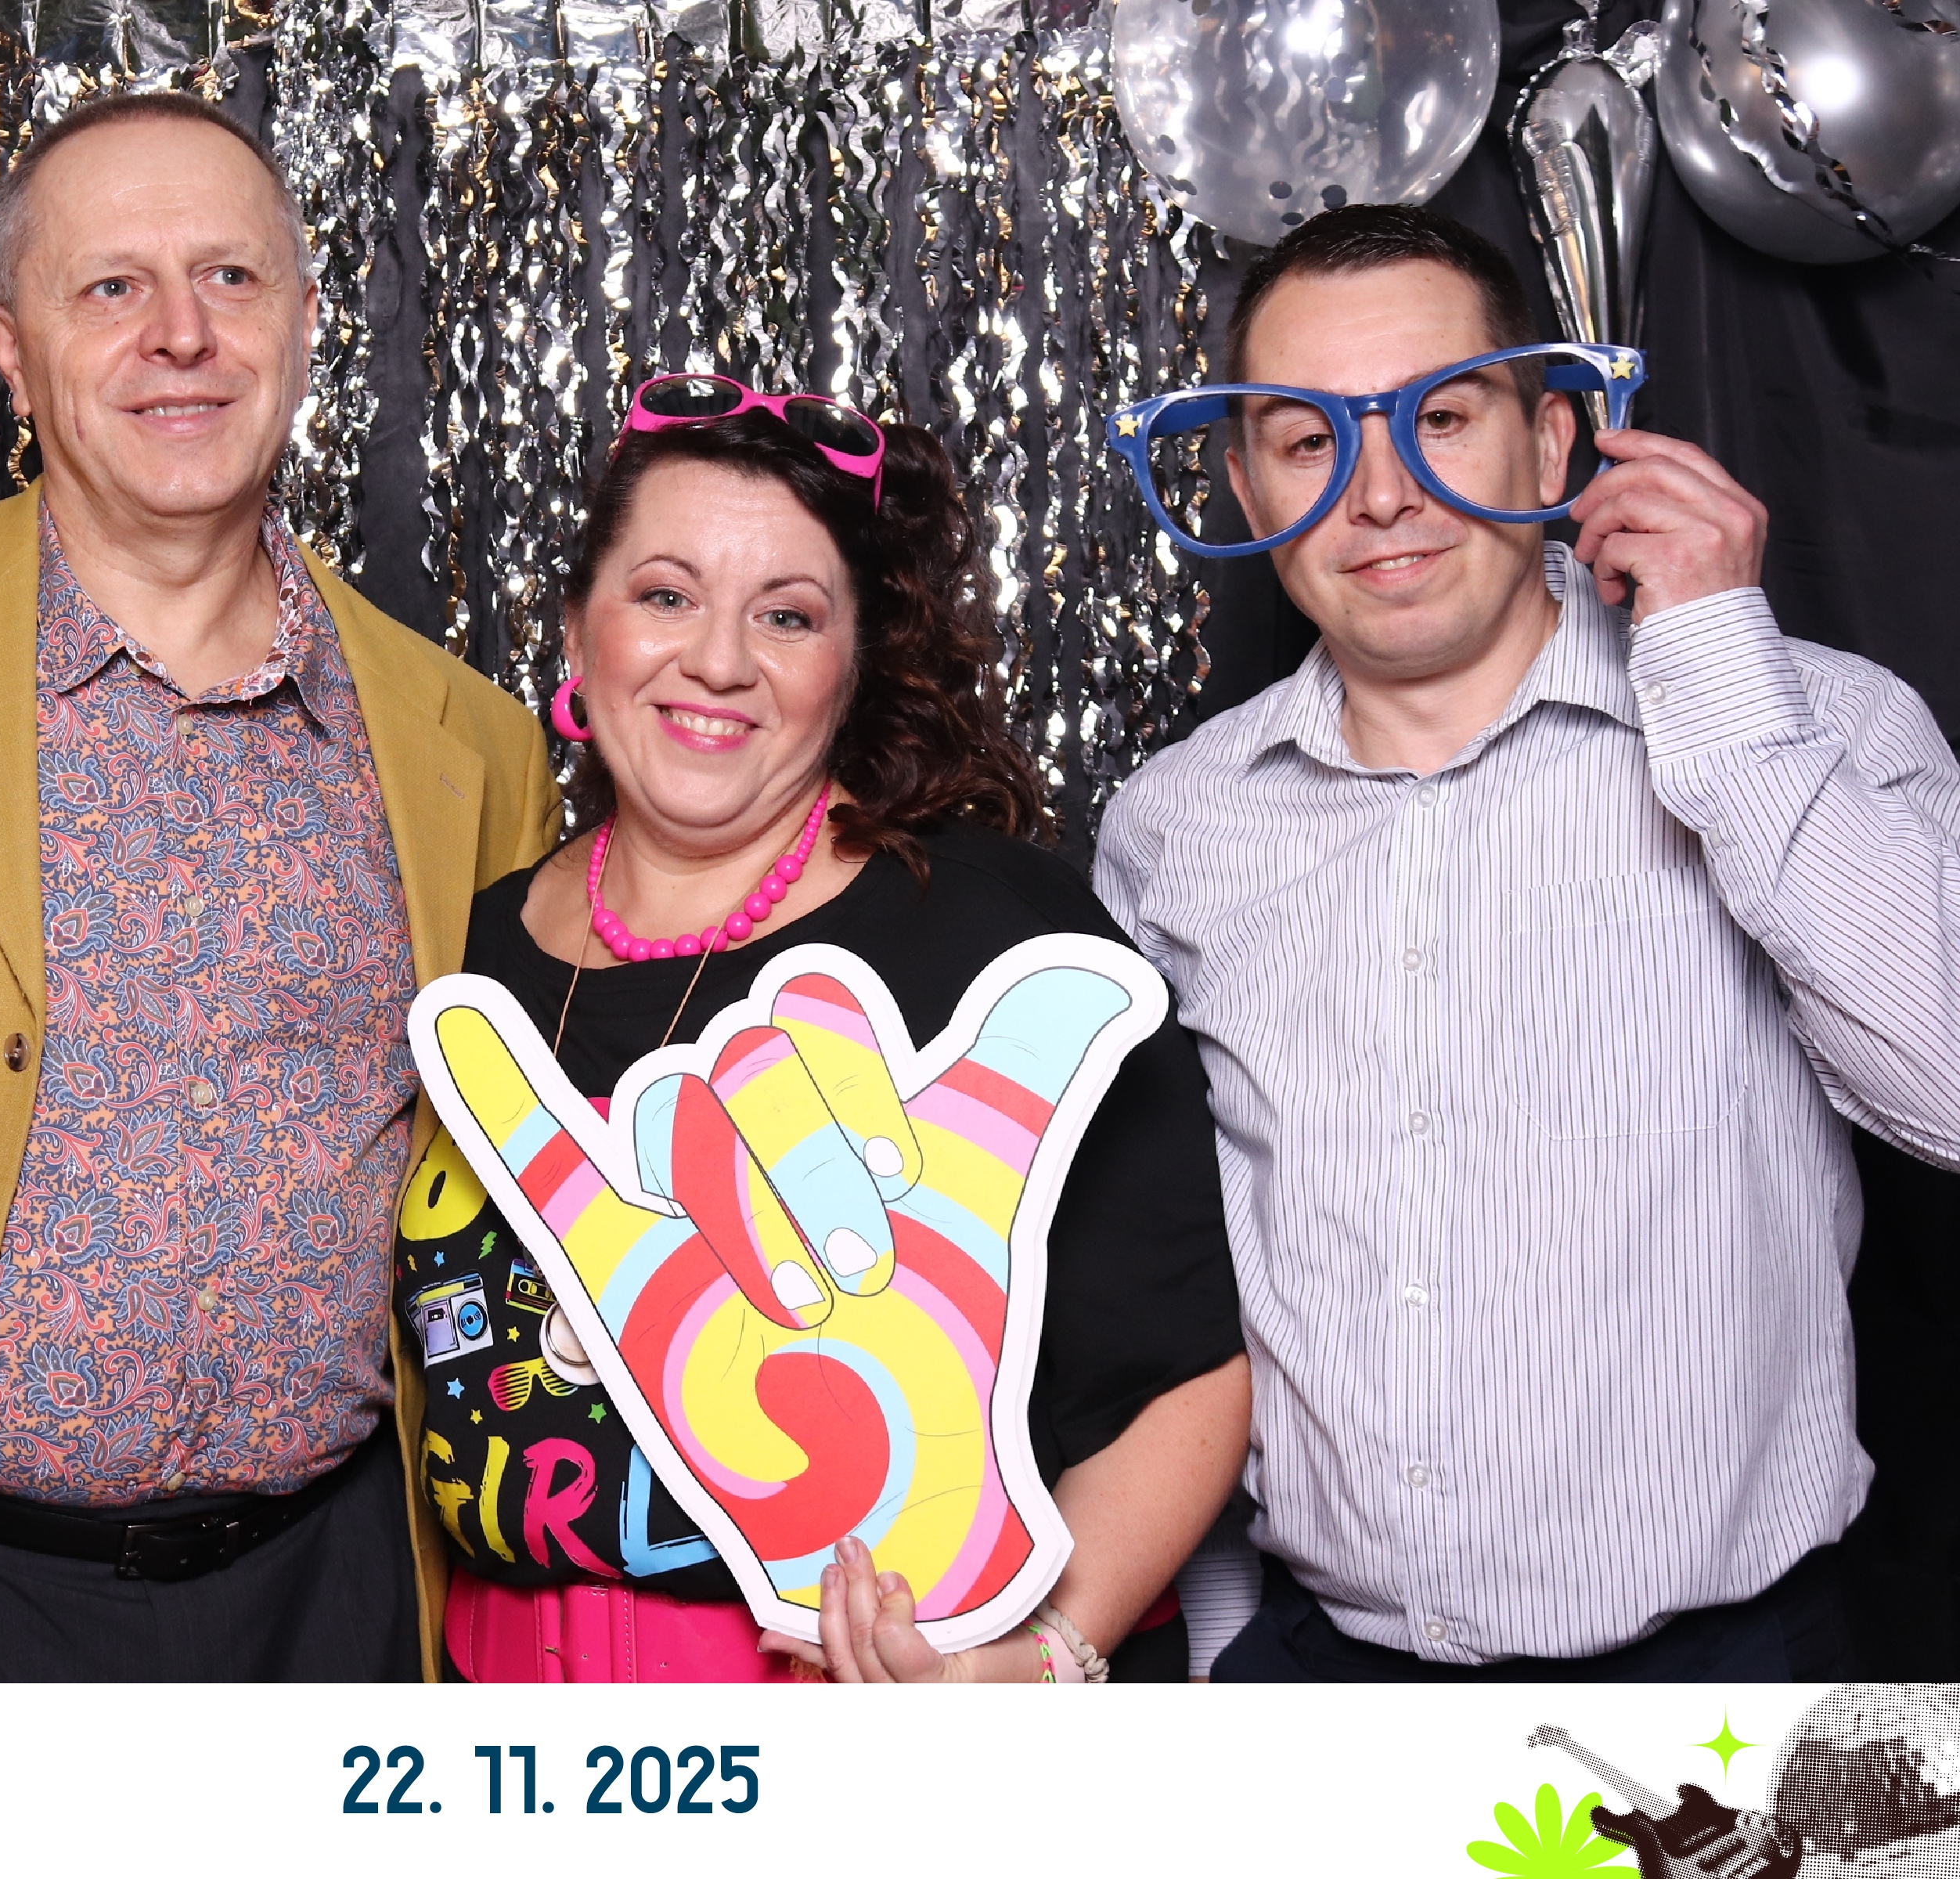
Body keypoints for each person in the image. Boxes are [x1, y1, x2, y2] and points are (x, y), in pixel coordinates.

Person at [0, 92, 559, 1682]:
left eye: (231, 278)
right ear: (10, 350)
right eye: (111, 287)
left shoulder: (473, 746)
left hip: (335, 1593)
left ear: (304, 324)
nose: (182, 334)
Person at [1093, 204, 1960, 1681]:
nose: (1382, 494)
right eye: (1308, 441)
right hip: (1318, 1677)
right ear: (1244, 484)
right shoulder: (1173, 826)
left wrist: (1720, 679)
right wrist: (1225, 1658)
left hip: (1734, 1684)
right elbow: (1182, 1287)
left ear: (1553, 444)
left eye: (1441, 417)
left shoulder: (1820, 722)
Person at [402, 382, 1252, 1682]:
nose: (719, 662)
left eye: (787, 616)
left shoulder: (990, 931)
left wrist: (1031, 1667)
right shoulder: (464, 943)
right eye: (666, 595)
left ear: (854, 665)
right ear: (578, 626)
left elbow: (1187, 1376)